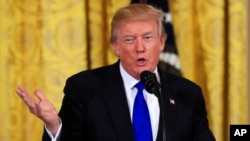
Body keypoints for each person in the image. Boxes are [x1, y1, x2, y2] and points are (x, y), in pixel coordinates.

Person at [15, 3, 216, 141]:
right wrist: (54, 127)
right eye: (129, 40)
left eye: (148, 38)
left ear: (162, 42)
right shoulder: (85, 89)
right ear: (115, 46)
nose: (140, 48)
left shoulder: (187, 94)